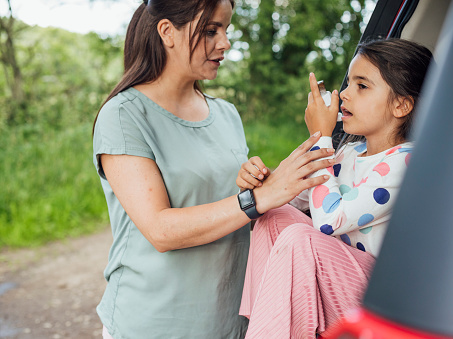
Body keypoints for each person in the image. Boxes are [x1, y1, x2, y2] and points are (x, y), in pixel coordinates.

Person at [92, 0, 335, 338]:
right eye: (211, 31)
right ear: (167, 32)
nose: (225, 43)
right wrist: (256, 200)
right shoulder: (124, 115)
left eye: (226, 30)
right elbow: (160, 229)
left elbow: (231, 207)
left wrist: (257, 182)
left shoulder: (226, 114)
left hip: (230, 323)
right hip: (153, 324)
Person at [236, 39, 433, 338]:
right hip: (340, 278)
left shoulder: (406, 162)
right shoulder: (348, 153)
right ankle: (266, 325)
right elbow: (292, 197)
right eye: (348, 83)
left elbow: (329, 221)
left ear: (401, 105)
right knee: (273, 216)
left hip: (377, 297)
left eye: (362, 86)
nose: (344, 94)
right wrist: (262, 180)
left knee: (301, 237)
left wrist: (323, 138)